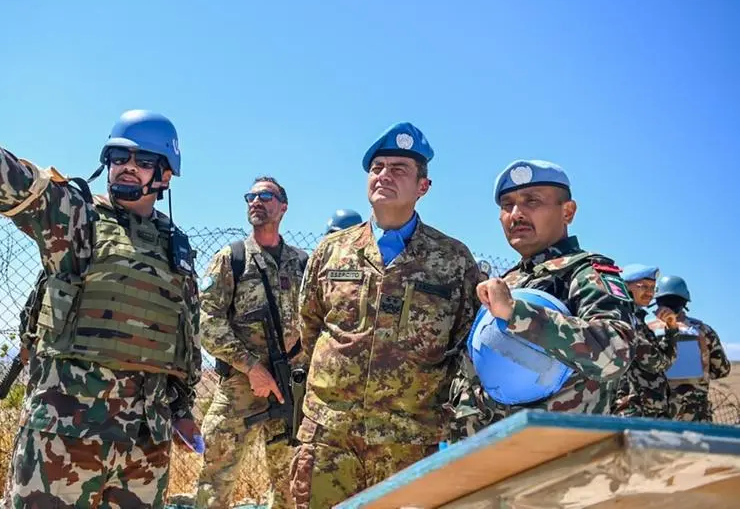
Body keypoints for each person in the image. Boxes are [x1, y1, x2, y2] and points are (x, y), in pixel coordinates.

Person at [0, 76, 202, 508]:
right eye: (118, 156)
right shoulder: (76, 216)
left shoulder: (175, 247)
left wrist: (181, 411)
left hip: (145, 444)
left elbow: (186, 336)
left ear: (166, 173)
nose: (127, 166)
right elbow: (17, 185)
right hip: (64, 435)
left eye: (142, 159)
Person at [289, 122, 480, 507]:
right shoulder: (332, 251)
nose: (384, 176)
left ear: (423, 187)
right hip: (329, 437)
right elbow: (309, 327)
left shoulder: (453, 260)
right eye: (377, 168)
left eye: (399, 169)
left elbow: (465, 344)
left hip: (408, 443)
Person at [447, 160, 635, 442]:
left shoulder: (585, 272)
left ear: (567, 211)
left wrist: (517, 315)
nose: (516, 214)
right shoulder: (510, 280)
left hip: (555, 451)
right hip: (489, 449)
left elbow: (615, 353)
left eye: (532, 201)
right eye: (507, 205)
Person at [195, 177, 308, 508]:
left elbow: (317, 319)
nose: (256, 201)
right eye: (251, 196)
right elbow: (207, 322)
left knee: (290, 486)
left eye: (265, 196)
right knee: (216, 482)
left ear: (283, 207)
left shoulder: (302, 263)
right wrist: (252, 367)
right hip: (241, 388)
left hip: (290, 388)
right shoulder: (232, 258)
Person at [653, 275, 731, 422]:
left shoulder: (645, 330)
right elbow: (722, 370)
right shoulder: (704, 330)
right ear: (685, 301)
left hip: (656, 416)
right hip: (696, 416)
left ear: (657, 301)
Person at [610, 264, 678, 418]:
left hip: (646, 409)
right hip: (632, 410)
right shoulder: (624, 318)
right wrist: (672, 332)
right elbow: (657, 362)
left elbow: (664, 360)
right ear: (625, 286)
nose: (650, 293)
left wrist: (671, 327)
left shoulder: (637, 320)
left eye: (653, 288)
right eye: (644, 286)